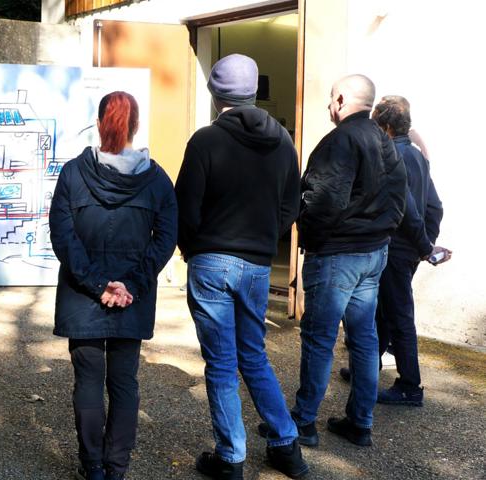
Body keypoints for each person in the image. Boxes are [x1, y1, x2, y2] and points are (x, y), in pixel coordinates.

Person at [175, 54, 308, 480]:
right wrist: (265, 240)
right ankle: (286, 445)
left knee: (221, 363)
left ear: (216, 94)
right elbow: (291, 205)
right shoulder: (283, 142)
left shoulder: (205, 141)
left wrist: (192, 248)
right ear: (255, 93)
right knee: (253, 355)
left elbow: (185, 208)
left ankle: (231, 458)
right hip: (256, 265)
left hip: (211, 261)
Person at [49, 91, 177, 480]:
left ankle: (93, 467)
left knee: (88, 380)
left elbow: (63, 237)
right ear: (135, 126)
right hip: (130, 298)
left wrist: (98, 284)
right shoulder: (156, 180)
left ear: (99, 123)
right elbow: (165, 240)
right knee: (124, 382)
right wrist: (130, 284)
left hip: (82, 295)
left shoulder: (73, 173)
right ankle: (116, 468)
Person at [288, 74, 406, 448]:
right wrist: (381, 233)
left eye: (330, 98)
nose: (328, 105)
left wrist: (312, 241)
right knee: (364, 338)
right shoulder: (384, 141)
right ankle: (360, 422)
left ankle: (303, 422)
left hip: (338, 255)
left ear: (340, 100)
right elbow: (399, 199)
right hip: (372, 253)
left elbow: (322, 201)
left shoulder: (340, 141)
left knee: (319, 338)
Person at [370, 95, 450, 405]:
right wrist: (425, 245)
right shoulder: (417, 156)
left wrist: (424, 246)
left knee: (398, 315)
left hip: (396, 247)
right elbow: (435, 206)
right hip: (409, 249)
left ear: (386, 127)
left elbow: (409, 210)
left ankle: (409, 386)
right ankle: (370, 365)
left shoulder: (392, 157)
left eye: (376, 124)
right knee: (383, 309)